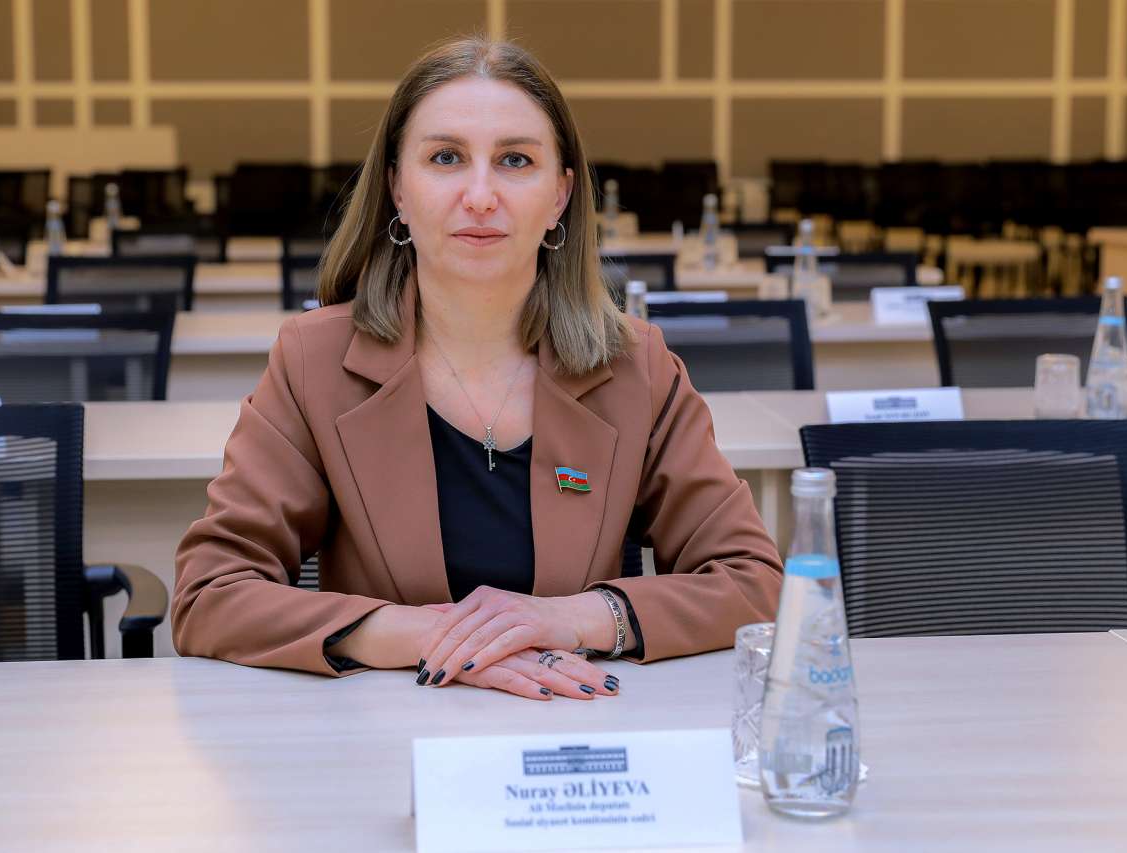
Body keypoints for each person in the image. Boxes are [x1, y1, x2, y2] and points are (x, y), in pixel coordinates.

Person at [172, 36, 782, 701]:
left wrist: (574, 618)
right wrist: (426, 636)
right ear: (397, 189)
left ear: (560, 195)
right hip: (384, 734)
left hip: (577, 732)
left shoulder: (637, 367)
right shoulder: (313, 362)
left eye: (515, 160)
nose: (481, 195)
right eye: (446, 158)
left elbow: (753, 580)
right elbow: (210, 593)